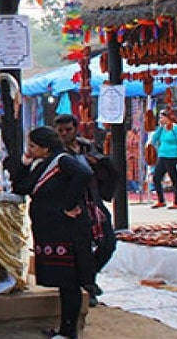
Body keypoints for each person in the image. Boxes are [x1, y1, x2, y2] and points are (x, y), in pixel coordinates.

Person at [13, 127, 92, 339]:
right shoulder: (42, 165)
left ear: (45, 148)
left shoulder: (62, 160)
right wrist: (24, 163)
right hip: (50, 230)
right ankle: (64, 329)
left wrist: (69, 204)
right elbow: (21, 187)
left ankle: (69, 331)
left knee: (70, 283)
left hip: (64, 231)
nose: (29, 149)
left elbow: (84, 174)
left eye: (32, 146)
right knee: (64, 282)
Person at [54, 113, 117, 305]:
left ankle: (89, 278)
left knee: (108, 243)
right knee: (81, 249)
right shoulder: (56, 154)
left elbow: (108, 169)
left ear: (76, 129)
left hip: (94, 201)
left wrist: (98, 165)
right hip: (74, 205)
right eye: (61, 130)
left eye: (68, 129)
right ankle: (87, 286)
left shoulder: (88, 148)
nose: (65, 134)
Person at [149, 108, 177, 210]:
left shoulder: (176, 128)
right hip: (162, 156)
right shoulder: (162, 129)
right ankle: (161, 200)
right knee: (156, 178)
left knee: (174, 179)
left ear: (168, 117)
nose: (160, 119)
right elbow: (154, 139)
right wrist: (159, 128)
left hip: (173, 157)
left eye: (162, 117)